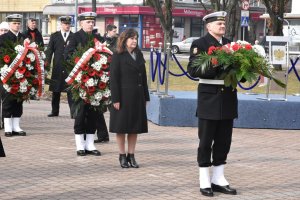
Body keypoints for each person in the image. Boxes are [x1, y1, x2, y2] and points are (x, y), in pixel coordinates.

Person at [187, 11, 237, 197]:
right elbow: (194, 69)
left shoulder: (231, 43)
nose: (222, 26)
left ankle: (218, 178)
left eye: (223, 24)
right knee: (206, 140)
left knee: (224, 140)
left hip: (228, 98)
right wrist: (216, 59)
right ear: (209, 26)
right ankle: (204, 179)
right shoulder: (199, 44)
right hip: (209, 98)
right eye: (218, 24)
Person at [64, 12, 104, 156]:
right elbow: (67, 56)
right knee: (80, 114)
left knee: (93, 114)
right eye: (87, 22)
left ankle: (90, 145)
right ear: (81, 23)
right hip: (79, 83)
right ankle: (80, 145)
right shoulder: (74, 37)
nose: (91, 24)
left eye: (92, 22)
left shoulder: (98, 38)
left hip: (95, 83)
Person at [110, 28, 150, 168]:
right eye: (131, 38)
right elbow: (113, 79)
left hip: (137, 97)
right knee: (121, 127)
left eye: (136, 38)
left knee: (134, 128)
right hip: (122, 97)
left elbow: (143, 77)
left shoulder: (138, 54)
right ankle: (122, 155)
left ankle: (131, 155)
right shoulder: (118, 55)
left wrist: (146, 96)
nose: (134, 41)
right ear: (124, 40)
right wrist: (115, 99)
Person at [0, 14, 26, 137]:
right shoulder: (3, 38)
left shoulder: (24, 38)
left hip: (21, 74)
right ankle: (8, 127)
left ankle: (16, 126)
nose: (17, 25)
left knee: (18, 100)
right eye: (14, 23)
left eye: (18, 23)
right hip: (7, 74)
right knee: (8, 100)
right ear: (9, 24)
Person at [94, 24, 118, 144]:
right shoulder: (101, 41)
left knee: (115, 107)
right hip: (102, 77)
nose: (115, 32)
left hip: (113, 77)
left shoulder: (119, 42)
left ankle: (120, 131)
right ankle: (102, 135)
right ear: (108, 31)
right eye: (114, 31)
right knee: (98, 108)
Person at [46, 16, 74, 117]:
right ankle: (54, 111)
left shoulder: (74, 36)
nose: (67, 26)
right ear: (61, 24)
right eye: (65, 24)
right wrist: (47, 63)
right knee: (56, 90)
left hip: (69, 67)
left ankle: (73, 112)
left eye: (68, 24)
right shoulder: (55, 36)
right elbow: (49, 50)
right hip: (57, 66)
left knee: (70, 91)